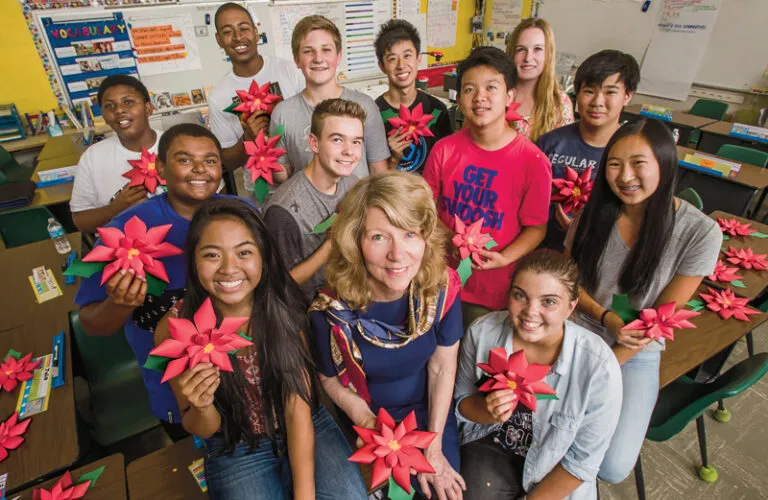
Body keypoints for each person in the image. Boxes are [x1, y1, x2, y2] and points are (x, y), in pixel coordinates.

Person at [155, 198, 367, 499]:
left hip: (307, 424)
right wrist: (202, 406)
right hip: (234, 441)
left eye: (244, 252)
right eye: (212, 255)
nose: (229, 268)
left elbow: (297, 410)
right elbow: (202, 427)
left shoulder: (285, 307)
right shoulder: (174, 327)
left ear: (263, 258)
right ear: (193, 261)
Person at [566, 118, 721, 483]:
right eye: (614, 164)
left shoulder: (700, 232)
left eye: (639, 163)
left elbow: (660, 318)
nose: (624, 176)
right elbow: (569, 281)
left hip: (637, 349)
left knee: (614, 466)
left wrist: (603, 366)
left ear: (665, 164)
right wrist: (605, 318)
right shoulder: (595, 213)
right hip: (581, 326)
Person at [75, 123, 241, 440]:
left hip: (248, 373)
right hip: (172, 388)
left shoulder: (244, 214)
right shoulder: (126, 229)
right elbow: (93, 324)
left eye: (210, 160)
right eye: (185, 160)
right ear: (161, 169)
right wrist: (120, 304)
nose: (199, 170)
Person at [309, 172, 466, 499]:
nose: (398, 255)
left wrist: (433, 447)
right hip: (367, 417)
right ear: (356, 242)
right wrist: (376, 431)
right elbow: (330, 381)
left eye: (410, 234)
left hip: (430, 412)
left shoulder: (443, 289)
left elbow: (442, 367)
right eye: (379, 237)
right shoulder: (330, 310)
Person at [455, 250, 621, 500]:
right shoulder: (482, 333)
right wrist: (486, 409)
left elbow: (581, 463)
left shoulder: (599, 367)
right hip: (493, 447)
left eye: (549, 301)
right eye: (520, 296)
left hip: (554, 469)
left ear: (571, 306)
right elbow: (460, 405)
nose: (531, 312)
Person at [423, 46, 552, 327]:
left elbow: (536, 227)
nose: (480, 97)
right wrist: (451, 239)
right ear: (459, 98)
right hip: (440, 281)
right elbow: (424, 210)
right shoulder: (444, 150)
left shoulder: (533, 160)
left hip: (496, 293)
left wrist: (503, 258)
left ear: (509, 96)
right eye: (469, 89)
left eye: (491, 87)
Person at [537, 50, 639, 250]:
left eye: (610, 92)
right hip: (542, 250)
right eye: (589, 91)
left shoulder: (634, 153)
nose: (597, 102)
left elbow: (637, 216)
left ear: (627, 96)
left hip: (601, 255)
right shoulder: (549, 144)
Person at [263, 98, 363, 302]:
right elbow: (280, 286)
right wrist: (329, 245)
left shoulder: (353, 184)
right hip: (308, 314)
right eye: (337, 140)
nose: (349, 151)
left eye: (356, 141)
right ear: (314, 143)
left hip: (348, 300)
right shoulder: (283, 211)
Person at [270, 15, 390, 179]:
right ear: (297, 60)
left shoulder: (365, 106)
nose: (318, 58)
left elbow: (379, 170)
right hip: (309, 203)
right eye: (308, 51)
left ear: (338, 56)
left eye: (326, 50)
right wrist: (265, 163)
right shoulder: (282, 113)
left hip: (359, 203)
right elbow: (283, 175)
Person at [207, 2, 305, 194]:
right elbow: (227, 161)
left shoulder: (289, 69)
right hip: (262, 192)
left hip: (305, 179)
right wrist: (248, 139)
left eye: (244, 28)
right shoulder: (219, 96)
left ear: (255, 31)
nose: (237, 37)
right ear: (219, 40)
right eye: (228, 32)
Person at [70, 75, 163, 233]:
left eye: (128, 102)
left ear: (148, 108)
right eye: (109, 106)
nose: (119, 110)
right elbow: (81, 221)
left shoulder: (175, 145)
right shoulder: (93, 157)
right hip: (123, 248)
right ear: (104, 116)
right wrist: (116, 208)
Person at [373, 19, 453, 174]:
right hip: (392, 195)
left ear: (418, 59)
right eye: (392, 58)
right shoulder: (373, 114)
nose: (401, 65)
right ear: (382, 66)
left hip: (429, 196)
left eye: (407, 55)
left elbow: (447, 165)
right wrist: (394, 159)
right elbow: (373, 180)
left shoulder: (437, 110)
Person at [506, 18, 574, 142]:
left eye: (537, 49)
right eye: (521, 49)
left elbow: (563, 154)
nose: (528, 58)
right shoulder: (497, 94)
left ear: (549, 54)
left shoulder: (560, 103)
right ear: (511, 53)